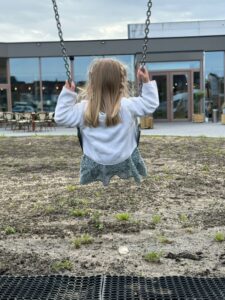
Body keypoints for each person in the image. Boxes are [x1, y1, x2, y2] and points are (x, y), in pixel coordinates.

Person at [54, 58, 159, 186]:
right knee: (134, 125)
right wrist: (146, 82)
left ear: (92, 83)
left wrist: (68, 93)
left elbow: (61, 117)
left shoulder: (83, 110)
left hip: (95, 159)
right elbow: (150, 104)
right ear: (121, 83)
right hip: (125, 157)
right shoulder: (128, 106)